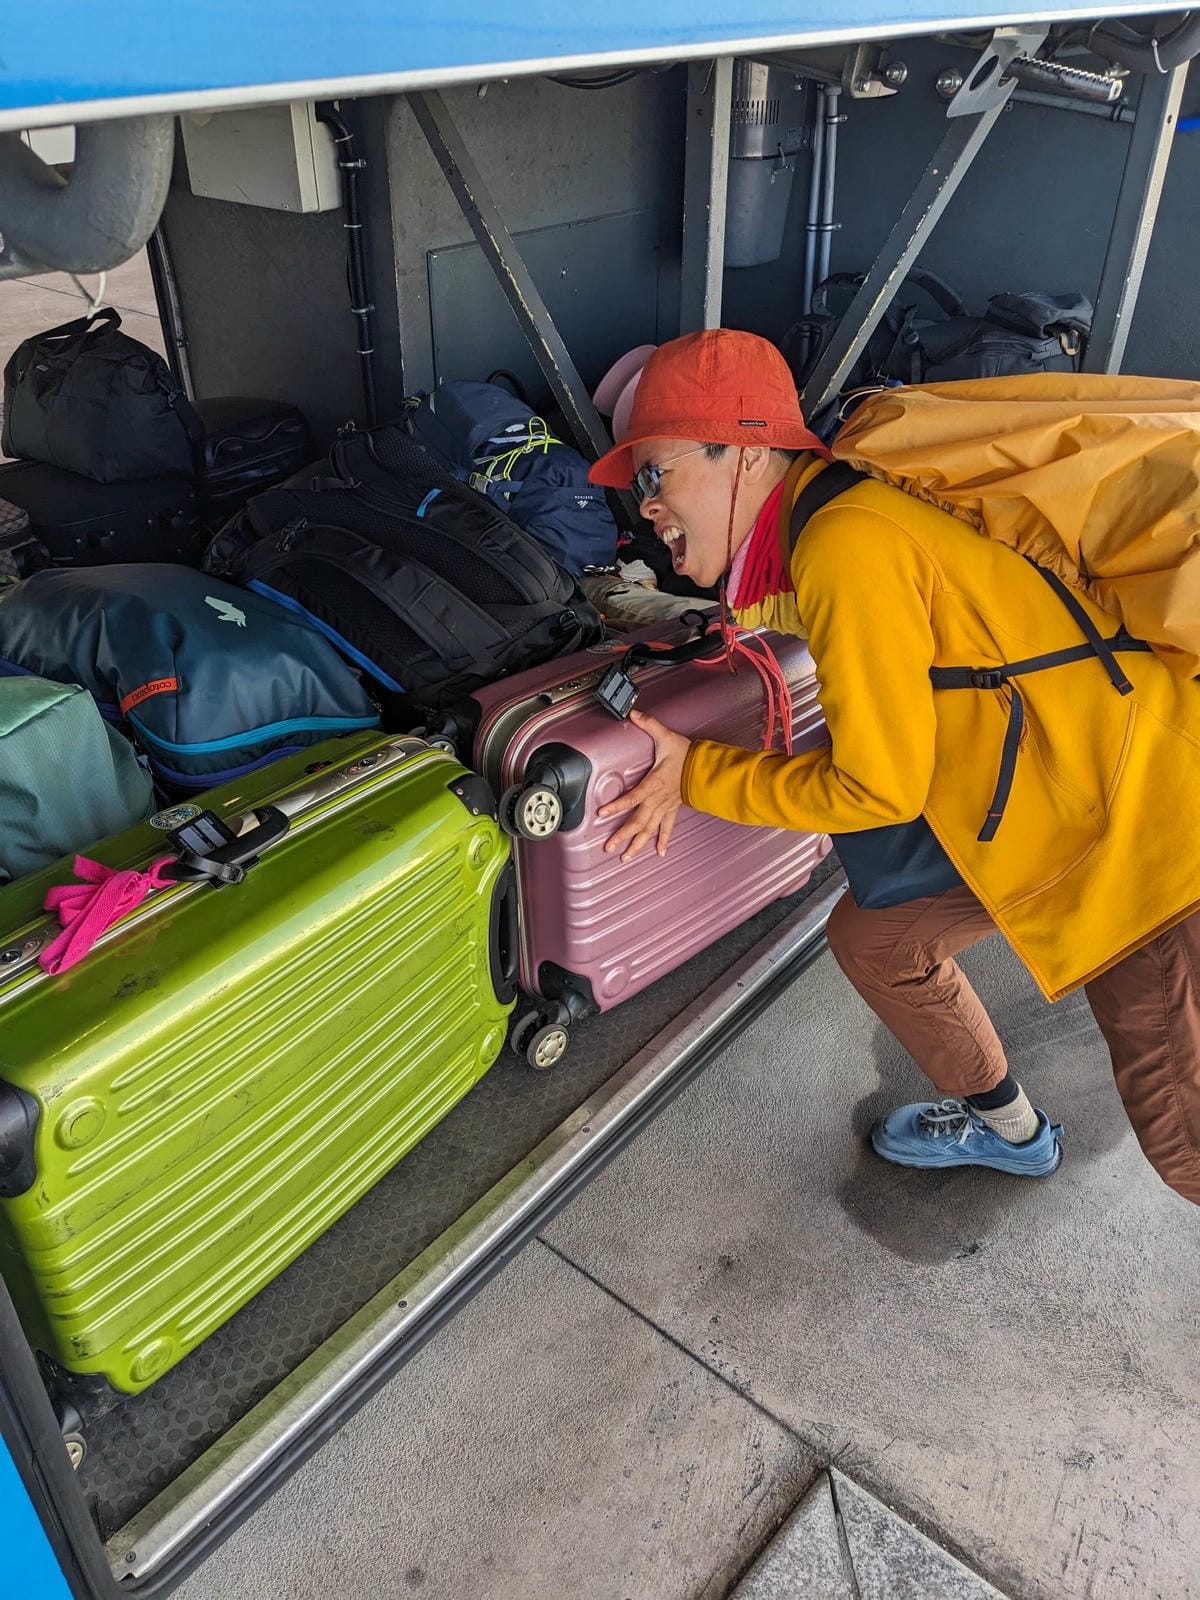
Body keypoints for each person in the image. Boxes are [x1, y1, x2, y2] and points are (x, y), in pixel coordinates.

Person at [586, 328, 1200, 1206]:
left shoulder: (845, 542)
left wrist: (695, 773)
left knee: (1186, 1142)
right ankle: (1009, 1132)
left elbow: (876, 790)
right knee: (880, 942)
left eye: (655, 474)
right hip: (1056, 791)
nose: (646, 506)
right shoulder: (839, 512)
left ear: (746, 453)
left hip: (1145, 829)